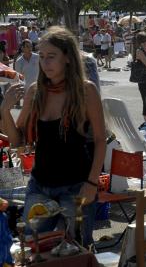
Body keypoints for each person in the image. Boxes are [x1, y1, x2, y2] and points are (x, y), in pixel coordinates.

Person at [0, 26, 106, 247]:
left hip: (77, 187)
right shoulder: (34, 92)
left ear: (67, 58)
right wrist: (5, 111)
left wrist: (92, 183)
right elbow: (18, 142)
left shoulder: (86, 91)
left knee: (77, 248)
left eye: (51, 57)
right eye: (43, 57)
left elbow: (99, 139)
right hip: (40, 186)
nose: (45, 63)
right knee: (33, 246)